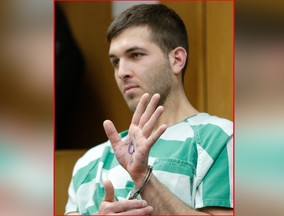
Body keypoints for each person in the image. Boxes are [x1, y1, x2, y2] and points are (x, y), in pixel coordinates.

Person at [65, 4, 233, 215]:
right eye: (115, 62)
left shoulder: (220, 139)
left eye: (135, 55)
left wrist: (145, 178)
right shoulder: (89, 162)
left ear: (177, 59)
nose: (122, 72)